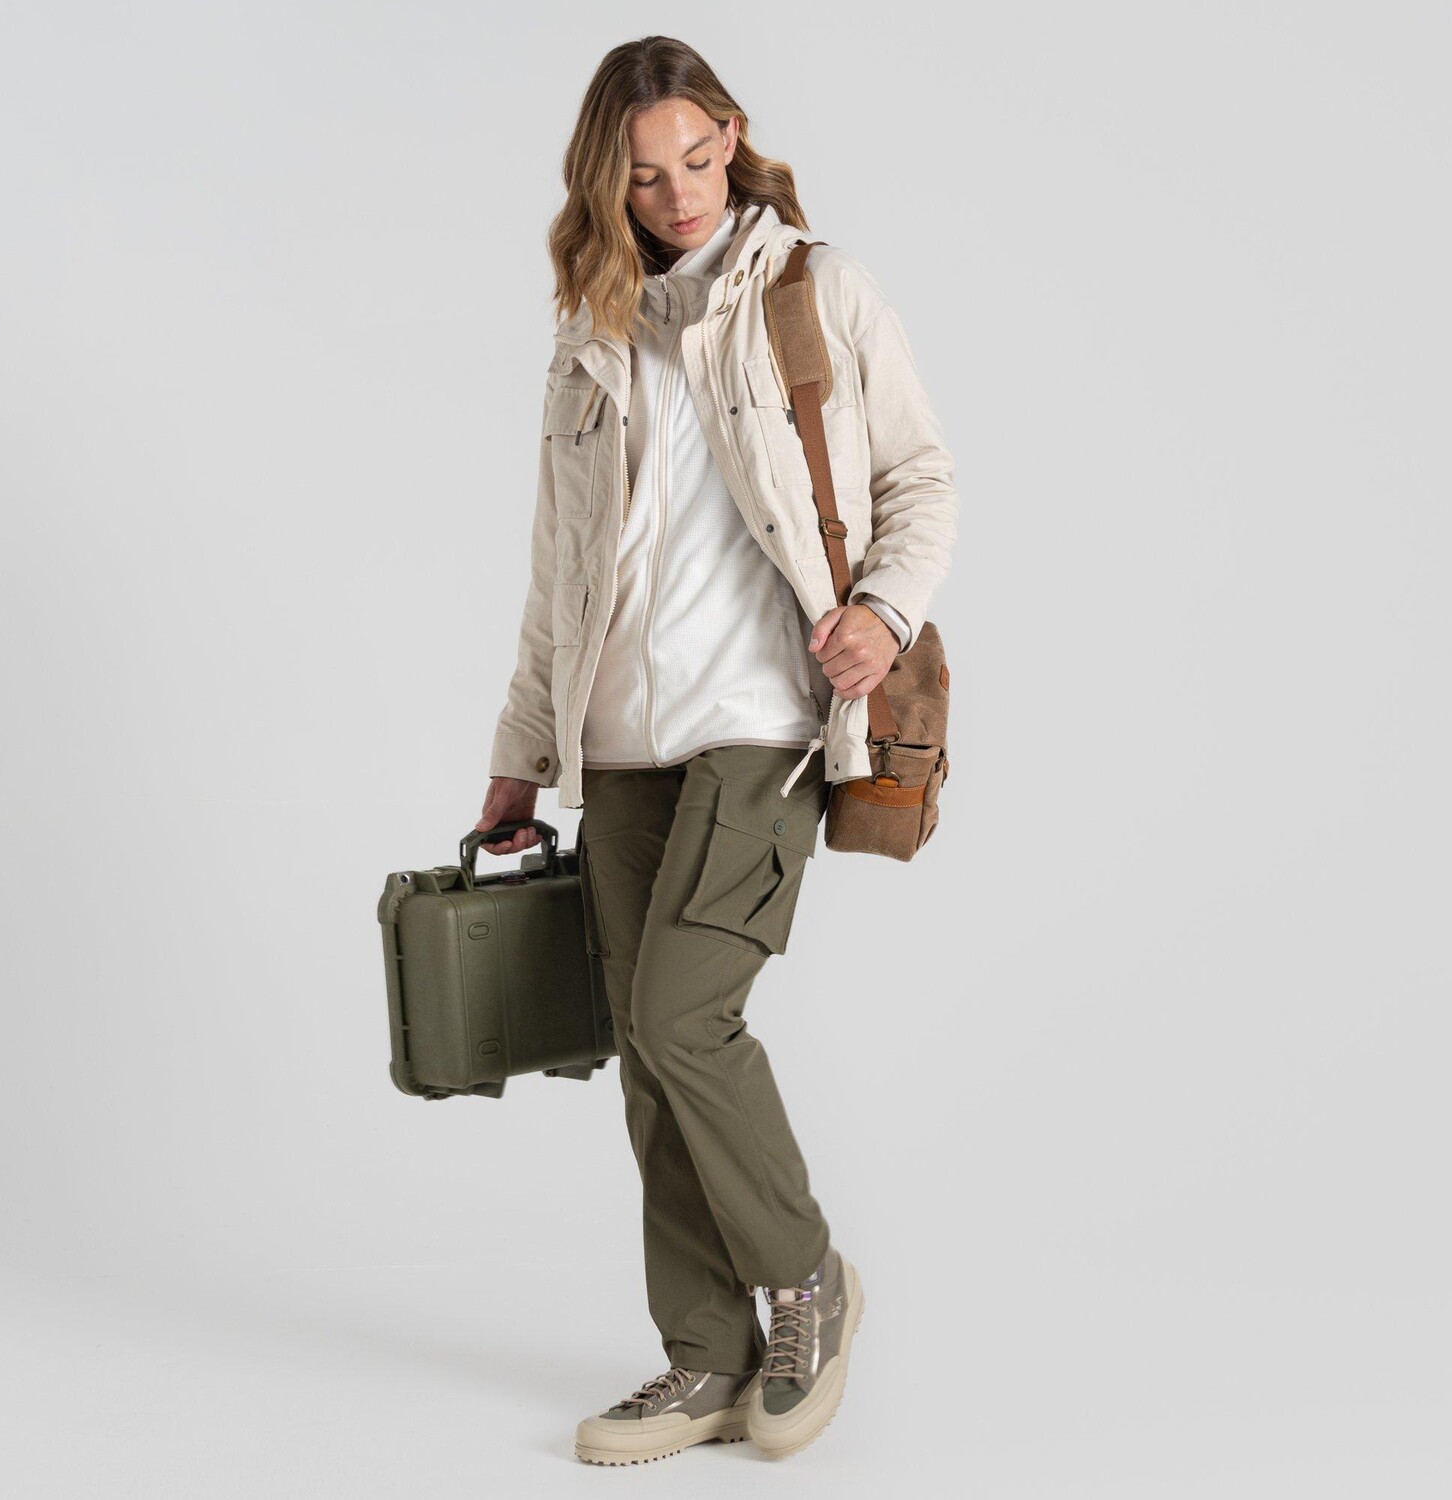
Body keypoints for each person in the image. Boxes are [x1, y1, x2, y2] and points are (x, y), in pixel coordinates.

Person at [476, 35, 957, 1465]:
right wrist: (521, 750)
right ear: (604, 183)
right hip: (621, 735)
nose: (680, 192)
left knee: (685, 1016)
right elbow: (559, 570)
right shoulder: (592, 330)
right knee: (644, 1048)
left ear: (733, 137)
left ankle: (806, 1281)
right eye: (645, 175)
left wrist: (882, 610)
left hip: (765, 722)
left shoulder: (817, 289)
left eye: (697, 158)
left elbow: (920, 475)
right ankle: (704, 1358)